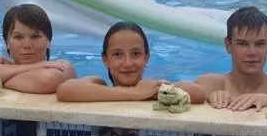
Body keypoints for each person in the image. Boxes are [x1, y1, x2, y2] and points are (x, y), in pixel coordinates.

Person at [56, 21, 206, 104]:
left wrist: (155, 92)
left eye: (135, 54)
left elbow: (198, 93)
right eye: (118, 55)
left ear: (146, 58)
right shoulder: (98, 85)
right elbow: (65, 90)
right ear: (105, 60)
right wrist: (134, 93)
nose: (127, 63)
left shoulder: (153, 89)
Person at [195, 6, 267, 111]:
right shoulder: (210, 85)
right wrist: (206, 99)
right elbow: (180, 93)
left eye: (259, 44)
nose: (252, 52)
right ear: (228, 45)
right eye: (243, 44)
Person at [0, 4, 75, 94]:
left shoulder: (62, 66)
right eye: (18, 37)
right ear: (7, 43)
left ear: (49, 41)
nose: (27, 45)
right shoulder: (0, 62)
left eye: (35, 36)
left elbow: (46, 81)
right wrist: (33, 67)